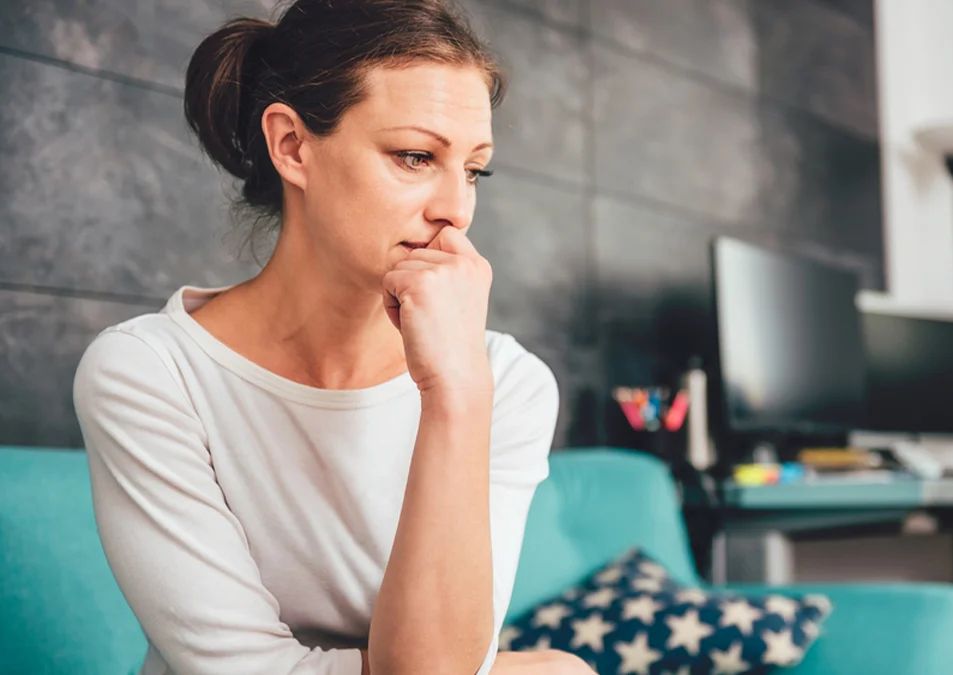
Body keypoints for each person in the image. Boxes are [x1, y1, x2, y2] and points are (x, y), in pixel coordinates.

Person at [73, 1, 592, 673]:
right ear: (291, 145)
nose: (456, 210)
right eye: (414, 156)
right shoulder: (148, 373)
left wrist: (456, 393)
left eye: (473, 170)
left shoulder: (506, 382)